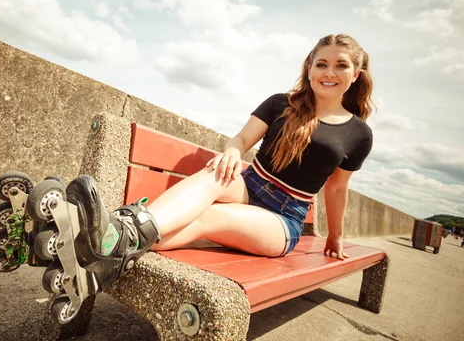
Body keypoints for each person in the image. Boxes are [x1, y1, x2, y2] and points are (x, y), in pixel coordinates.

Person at [66, 33, 374, 291]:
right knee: (214, 172)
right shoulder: (281, 103)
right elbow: (239, 141)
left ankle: (112, 239)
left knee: (208, 217)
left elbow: (336, 189)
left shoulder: (359, 134)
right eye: (321, 64)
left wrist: (335, 236)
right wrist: (231, 153)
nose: (329, 72)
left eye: (340, 65)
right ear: (309, 69)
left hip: (284, 217)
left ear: (355, 74)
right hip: (248, 186)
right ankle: (121, 234)